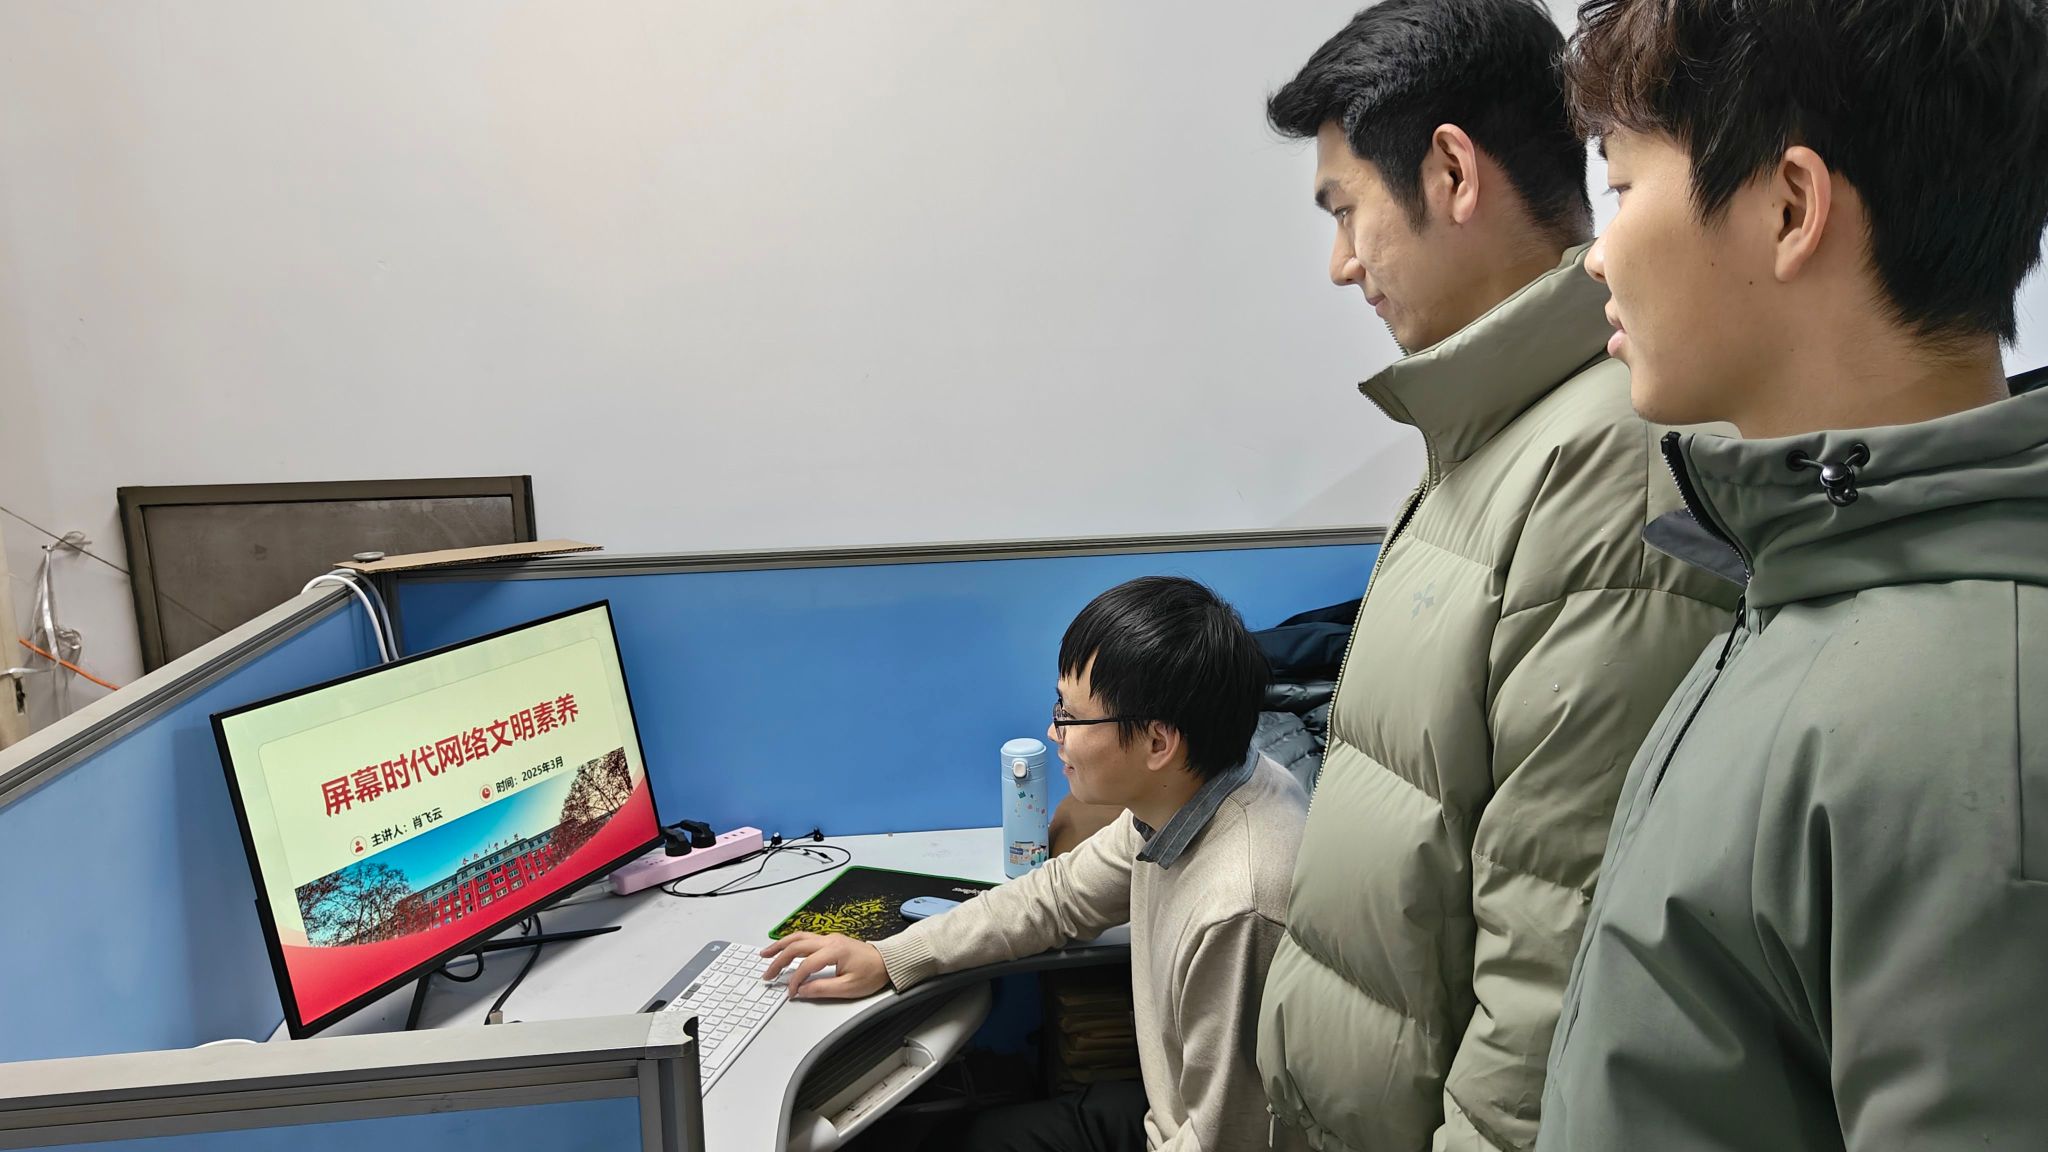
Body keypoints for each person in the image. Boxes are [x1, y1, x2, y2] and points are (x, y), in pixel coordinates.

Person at [1537, 0, 2048, 1148]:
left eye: (1620, 187)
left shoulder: (1964, 720)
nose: (1596, 252)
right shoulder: (1813, 596)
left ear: (1787, 207)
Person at [1254, 2, 1740, 1148]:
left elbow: (1552, 967)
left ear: (1449, 171)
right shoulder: (1489, 438)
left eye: (1345, 212)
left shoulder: (1603, 461)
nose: (1340, 265)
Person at [761, 576, 1310, 1152]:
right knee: (964, 1139)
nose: (1053, 733)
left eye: (1072, 717)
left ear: (1157, 743)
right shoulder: (1186, 791)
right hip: (1167, 1114)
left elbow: (1230, 1140)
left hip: (1199, 1138)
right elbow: (1058, 897)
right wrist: (891, 956)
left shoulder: (1238, 906)